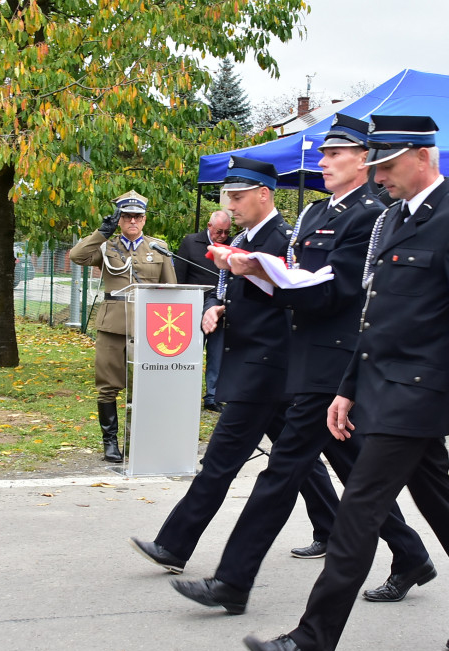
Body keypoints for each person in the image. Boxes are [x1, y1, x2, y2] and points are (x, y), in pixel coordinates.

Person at [243, 115, 449, 651]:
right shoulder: (396, 218)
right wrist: (347, 389)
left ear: (423, 156)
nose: (379, 177)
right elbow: (376, 319)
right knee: (441, 506)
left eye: (388, 165)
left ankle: (310, 643)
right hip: (382, 390)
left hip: (418, 397)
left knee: (356, 515)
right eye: (373, 166)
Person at [169, 114, 434, 615]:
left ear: (365, 159)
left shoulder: (370, 215)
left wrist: (275, 278)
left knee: (284, 472)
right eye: (324, 153)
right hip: (303, 360)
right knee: (354, 469)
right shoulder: (313, 214)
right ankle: (413, 554)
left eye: (338, 154)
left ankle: (232, 582)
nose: (325, 161)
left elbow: (343, 291)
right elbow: (294, 281)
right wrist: (258, 274)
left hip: (333, 363)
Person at [129, 156, 340, 578]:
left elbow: (296, 301)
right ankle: (351, 533)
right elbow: (230, 292)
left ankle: (174, 544)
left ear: (264, 194)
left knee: (222, 460)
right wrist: (215, 308)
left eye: (239, 197)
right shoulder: (243, 240)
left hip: (267, 367)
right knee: (298, 460)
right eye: (229, 197)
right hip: (253, 365)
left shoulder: (286, 240)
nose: (232, 205)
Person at [69, 191, 177, 463]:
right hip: (113, 324)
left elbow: (172, 291)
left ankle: (140, 439)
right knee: (108, 386)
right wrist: (101, 232)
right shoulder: (106, 246)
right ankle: (110, 443)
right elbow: (77, 256)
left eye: (137, 216)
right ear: (119, 220)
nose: (132, 221)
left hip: (149, 327)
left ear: (144, 219)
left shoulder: (158, 248)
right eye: (127, 216)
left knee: (147, 384)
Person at [174, 210, 233, 412]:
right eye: (219, 231)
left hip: (218, 307)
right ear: (209, 226)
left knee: (217, 354)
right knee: (191, 352)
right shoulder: (191, 242)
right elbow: (179, 275)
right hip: (192, 305)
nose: (223, 236)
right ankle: (185, 393)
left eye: (226, 232)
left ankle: (212, 397)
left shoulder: (233, 244)